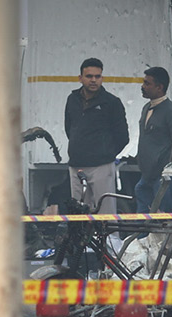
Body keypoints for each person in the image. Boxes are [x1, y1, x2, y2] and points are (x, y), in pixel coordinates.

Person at [64, 58, 128, 215]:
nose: (93, 80)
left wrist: (105, 154)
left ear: (102, 78)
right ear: (80, 78)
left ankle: (109, 240)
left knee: (105, 214)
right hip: (76, 166)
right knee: (78, 214)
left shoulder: (112, 103)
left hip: (101, 166)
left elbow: (122, 136)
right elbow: (69, 128)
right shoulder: (72, 99)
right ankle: (81, 241)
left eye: (97, 76)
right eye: (89, 76)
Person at [135, 66, 172, 212]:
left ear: (159, 87)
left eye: (147, 83)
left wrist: (166, 168)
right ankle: (143, 236)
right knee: (143, 218)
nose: (143, 87)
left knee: (163, 220)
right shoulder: (146, 108)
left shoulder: (171, 112)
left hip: (163, 178)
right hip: (147, 175)